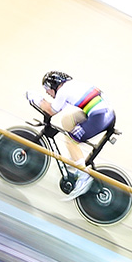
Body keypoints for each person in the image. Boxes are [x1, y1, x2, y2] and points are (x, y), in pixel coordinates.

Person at [28, 71, 114, 199]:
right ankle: (76, 159)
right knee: (67, 121)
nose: (47, 92)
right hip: (103, 113)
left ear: (54, 85)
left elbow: (51, 111)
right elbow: (58, 109)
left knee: (70, 140)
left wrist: (36, 98)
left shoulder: (63, 91)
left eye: (47, 89)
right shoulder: (71, 85)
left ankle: (83, 175)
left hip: (100, 117)